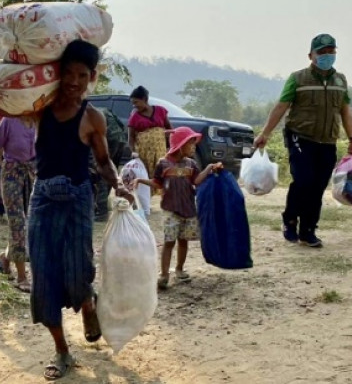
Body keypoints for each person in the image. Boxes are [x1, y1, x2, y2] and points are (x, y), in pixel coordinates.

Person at [24, 40, 134, 381]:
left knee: (77, 271)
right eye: (67, 73)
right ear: (57, 74)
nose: (73, 81)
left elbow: (103, 162)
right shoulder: (39, 109)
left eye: (81, 75)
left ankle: (87, 302)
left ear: (91, 78)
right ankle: (62, 351)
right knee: (43, 277)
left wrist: (117, 183)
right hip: (42, 199)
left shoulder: (92, 118)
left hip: (77, 199)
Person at [253, 33, 352, 248]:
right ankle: (290, 220)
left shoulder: (340, 81)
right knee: (304, 181)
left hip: (327, 140)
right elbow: (281, 106)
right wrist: (265, 133)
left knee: (318, 186)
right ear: (311, 55)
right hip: (300, 137)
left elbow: (345, 111)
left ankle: (308, 230)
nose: (327, 55)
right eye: (322, 52)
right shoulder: (298, 78)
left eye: (331, 51)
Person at [137, 126, 222, 290]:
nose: (193, 147)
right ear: (180, 144)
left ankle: (180, 269)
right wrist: (141, 180)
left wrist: (209, 168)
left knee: (183, 241)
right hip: (170, 210)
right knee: (169, 242)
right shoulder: (163, 164)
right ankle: (164, 274)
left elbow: (196, 181)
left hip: (188, 209)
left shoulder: (191, 164)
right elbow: (157, 183)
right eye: (190, 144)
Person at [0, 116, 36, 293]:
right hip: (11, 174)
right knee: (17, 223)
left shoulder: (38, 121)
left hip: (32, 174)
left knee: (31, 223)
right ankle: (21, 277)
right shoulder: (8, 121)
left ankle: (5, 258)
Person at [127, 85, 172, 172]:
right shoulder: (134, 117)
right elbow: (131, 138)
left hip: (160, 151)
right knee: (146, 174)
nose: (134, 105)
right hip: (143, 154)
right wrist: (133, 151)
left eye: (136, 102)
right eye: (132, 103)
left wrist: (170, 147)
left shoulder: (160, 111)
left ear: (145, 99)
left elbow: (169, 129)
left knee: (160, 173)